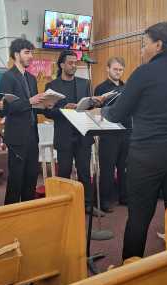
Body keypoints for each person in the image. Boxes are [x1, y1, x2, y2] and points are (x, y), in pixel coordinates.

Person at [101, 22, 167, 260]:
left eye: (144, 44)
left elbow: (116, 114)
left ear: (158, 45)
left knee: (139, 219)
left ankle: (131, 273)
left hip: (149, 156)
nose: (141, 50)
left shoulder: (143, 73)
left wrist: (102, 109)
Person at [44, 50, 93, 207]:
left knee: (85, 173)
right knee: (64, 173)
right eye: (71, 63)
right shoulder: (51, 86)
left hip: (82, 135)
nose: (74, 66)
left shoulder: (84, 83)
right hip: (64, 136)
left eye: (75, 63)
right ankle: (62, 206)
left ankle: (87, 205)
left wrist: (91, 105)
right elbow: (47, 112)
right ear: (62, 65)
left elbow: (90, 107)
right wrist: (64, 109)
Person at [0, 38, 45, 204]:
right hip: (17, 136)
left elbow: (33, 105)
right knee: (16, 180)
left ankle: (29, 214)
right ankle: (10, 216)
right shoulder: (7, 77)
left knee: (31, 178)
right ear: (16, 54)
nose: (31, 56)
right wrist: (30, 102)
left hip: (32, 135)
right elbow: (6, 108)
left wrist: (46, 104)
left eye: (31, 52)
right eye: (27, 52)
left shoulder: (32, 78)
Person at [93, 57, 130, 212]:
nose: (118, 72)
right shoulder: (100, 88)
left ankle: (124, 197)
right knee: (107, 169)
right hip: (108, 133)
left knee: (125, 168)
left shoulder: (127, 87)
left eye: (121, 69)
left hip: (126, 131)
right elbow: (97, 109)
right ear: (107, 69)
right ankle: (105, 201)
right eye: (115, 69)